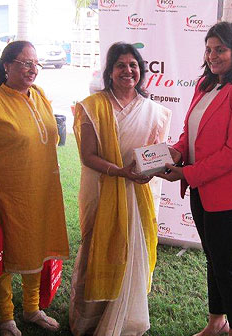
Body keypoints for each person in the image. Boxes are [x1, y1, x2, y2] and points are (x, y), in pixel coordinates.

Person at [158, 22, 232, 336]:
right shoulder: (205, 85)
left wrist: (187, 173)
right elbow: (189, 133)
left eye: (221, 49)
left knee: (226, 263)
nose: (213, 55)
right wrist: (176, 152)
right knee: (213, 257)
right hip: (203, 188)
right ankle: (216, 321)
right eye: (209, 49)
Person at [69, 42, 171, 336]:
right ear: (110, 72)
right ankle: (91, 318)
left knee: (133, 252)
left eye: (133, 65)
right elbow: (88, 156)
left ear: (141, 70)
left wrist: (150, 171)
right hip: (102, 191)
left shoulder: (155, 111)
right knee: (97, 249)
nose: (128, 71)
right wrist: (119, 171)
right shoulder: (93, 106)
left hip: (137, 194)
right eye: (121, 65)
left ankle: (128, 318)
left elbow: (155, 155)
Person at [0, 40, 70, 336]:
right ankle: (5, 317)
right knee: (5, 251)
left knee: (36, 246)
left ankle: (31, 308)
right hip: (5, 193)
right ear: (6, 66)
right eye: (25, 63)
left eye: (35, 64)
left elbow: (50, 139)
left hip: (42, 189)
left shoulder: (39, 95)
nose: (32, 69)